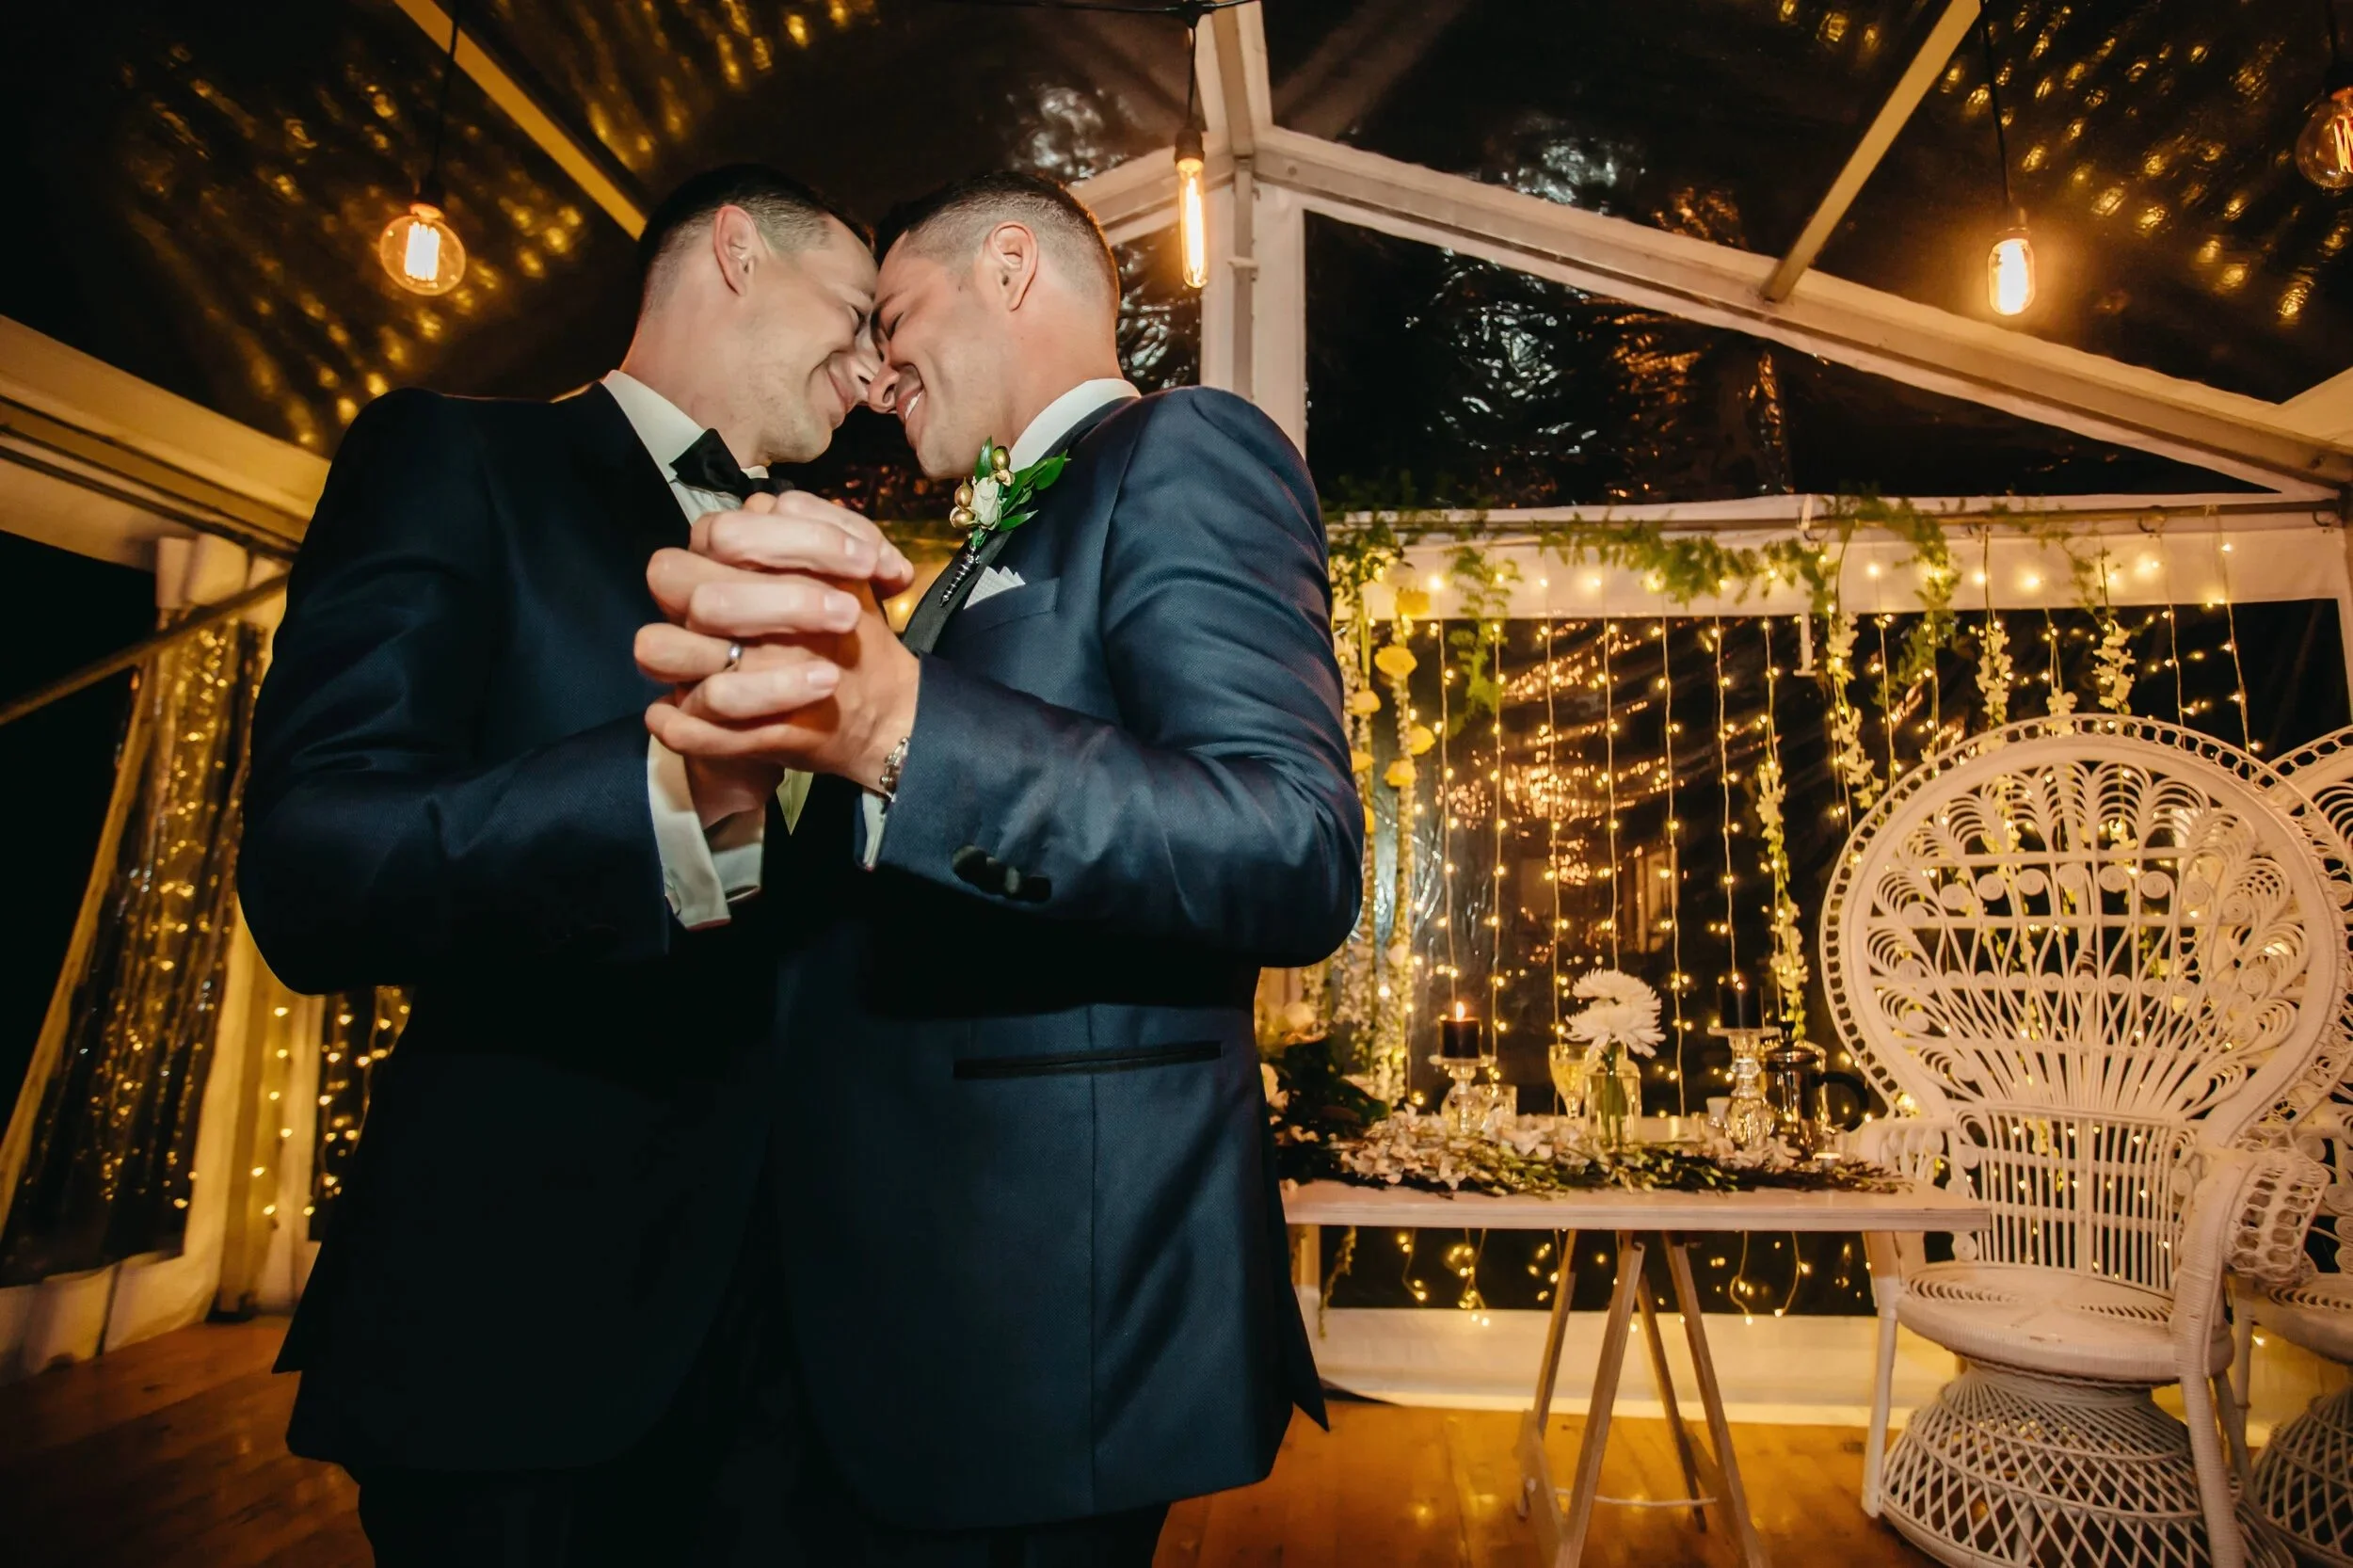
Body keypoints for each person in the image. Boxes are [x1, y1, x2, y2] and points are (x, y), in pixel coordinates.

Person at [635, 171, 1363, 1567]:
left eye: (893, 314)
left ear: (1011, 269)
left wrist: (900, 726)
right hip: (896, 1305)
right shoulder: (983, 545)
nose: (871, 367)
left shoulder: (1184, 449)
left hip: (1042, 1317)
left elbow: (1292, 841)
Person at [237, 165, 911, 1566]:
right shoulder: (455, 459)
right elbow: (313, 862)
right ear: (735, 252)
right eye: (855, 314)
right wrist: (668, 794)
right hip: (520, 1326)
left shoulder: (833, 572)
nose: (871, 371)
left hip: (807, 1362)